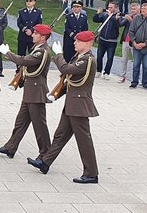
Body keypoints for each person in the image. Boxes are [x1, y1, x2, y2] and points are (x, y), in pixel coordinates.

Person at [28, 31, 99, 184]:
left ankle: (91, 173)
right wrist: (55, 94)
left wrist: (59, 54)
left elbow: (66, 70)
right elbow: (70, 81)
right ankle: (45, 162)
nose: (74, 43)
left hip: (79, 105)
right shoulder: (79, 57)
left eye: (78, 41)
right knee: (60, 135)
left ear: (87, 44)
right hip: (72, 103)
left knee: (83, 140)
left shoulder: (87, 60)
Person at [0, 24, 52, 158]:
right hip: (31, 91)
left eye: (35, 33)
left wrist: (7, 53)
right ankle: (11, 147)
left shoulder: (42, 51)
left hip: (36, 92)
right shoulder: (37, 48)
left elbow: (24, 60)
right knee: (20, 122)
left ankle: (46, 154)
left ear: (43, 37)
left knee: (39, 126)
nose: (32, 35)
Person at [128, 3, 147, 89]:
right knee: (135, 65)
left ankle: (145, 83)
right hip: (136, 45)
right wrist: (134, 42)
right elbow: (131, 31)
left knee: (146, 66)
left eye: (145, 9)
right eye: (142, 8)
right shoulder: (136, 18)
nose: (143, 10)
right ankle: (134, 82)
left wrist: (145, 43)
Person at [92, 2, 121, 80]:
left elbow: (119, 24)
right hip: (102, 39)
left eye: (111, 7)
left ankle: (106, 72)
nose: (109, 9)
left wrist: (111, 17)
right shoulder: (105, 15)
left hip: (112, 41)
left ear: (116, 8)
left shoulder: (118, 16)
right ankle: (98, 70)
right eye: (108, 7)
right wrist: (97, 13)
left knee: (110, 57)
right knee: (99, 56)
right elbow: (95, 20)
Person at [117, 3, 139, 83]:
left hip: (134, 42)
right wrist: (118, 19)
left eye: (134, 9)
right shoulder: (129, 16)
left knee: (136, 61)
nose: (133, 11)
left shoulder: (140, 18)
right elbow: (120, 24)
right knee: (124, 59)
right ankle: (122, 76)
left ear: (138, 10)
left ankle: (136, 78)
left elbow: (138, 28)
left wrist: (131, 20)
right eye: (132, 9)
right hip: (125, 40)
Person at [63, 0, 88, 68]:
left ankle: (74, 68)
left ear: (81, 8)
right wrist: (73, 35)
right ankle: (66, 68)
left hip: (79, 39)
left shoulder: (84, 17)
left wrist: (80, 36)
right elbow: (67, 28)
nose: (76, 8)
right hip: (69, 38)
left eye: (78, 7)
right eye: (74, 7)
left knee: (77, 55)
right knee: (68, 54)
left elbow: (85, 28)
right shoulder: (68, 16)